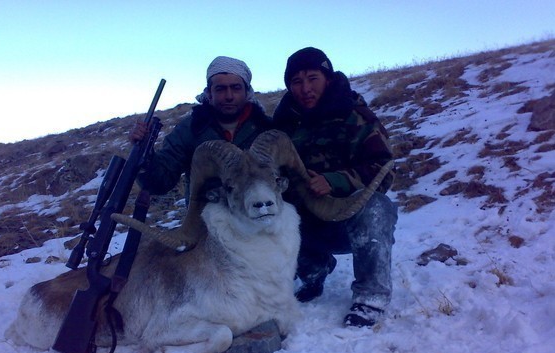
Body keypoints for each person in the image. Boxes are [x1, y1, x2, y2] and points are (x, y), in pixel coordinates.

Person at [273, 47, 397, 327]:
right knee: (268, 210)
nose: (305, 88)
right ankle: (314, 271)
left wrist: (335, 180)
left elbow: (385, 170)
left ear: (327, 78)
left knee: (378, 206)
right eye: (296, 82)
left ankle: (370, 298)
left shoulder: (356, 116)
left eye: (312, 78)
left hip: (348, 219)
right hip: (304, 221)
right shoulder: (283, 125)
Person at [131, 56, 271, 198]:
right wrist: (145, 153)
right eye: (220, 89)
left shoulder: (267, 127)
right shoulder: (189, 129)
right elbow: (158, 183)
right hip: (208, 219)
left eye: (236, 88)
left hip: (262, 215)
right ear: (209, 93)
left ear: (247, 92)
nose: (229, 96)